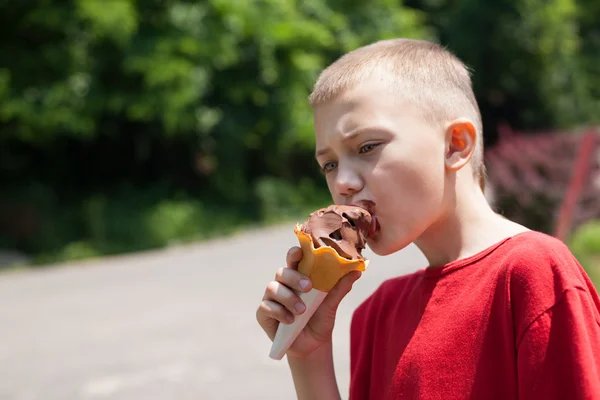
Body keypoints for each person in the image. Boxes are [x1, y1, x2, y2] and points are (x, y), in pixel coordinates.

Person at [255, 38, 600, 399]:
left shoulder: (532, 273)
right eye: (329, 164)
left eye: (367, 147)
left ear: (455, 145)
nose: (342, 183)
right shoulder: (376, 315)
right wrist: (308, 356)